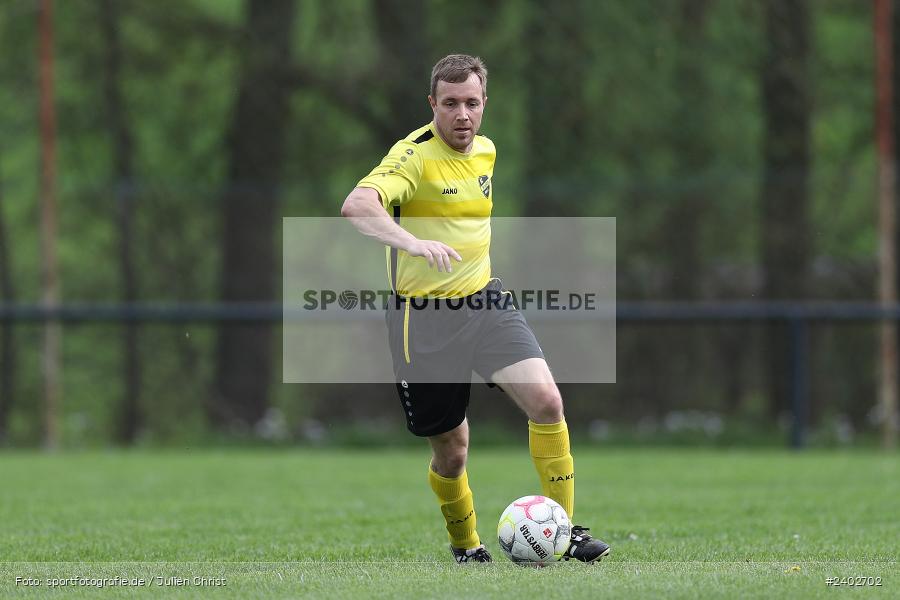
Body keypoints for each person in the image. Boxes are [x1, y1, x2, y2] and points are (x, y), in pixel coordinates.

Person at [340, 54, 610, 564]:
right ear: (432, 104)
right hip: (422, 320)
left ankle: (565, 532)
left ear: (485, 103)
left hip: (486, 303)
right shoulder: (413, 157)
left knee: (547, 402)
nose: (462, 114)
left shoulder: (486, 150)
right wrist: (411, 242)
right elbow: (357, 204)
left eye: (471, 102)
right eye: (450, 103)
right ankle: (466, 545)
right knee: (453, 450)